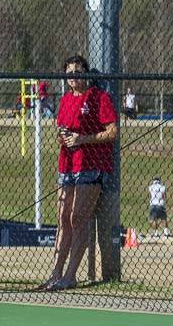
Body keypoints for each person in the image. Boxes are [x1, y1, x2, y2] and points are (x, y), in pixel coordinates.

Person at [39, 53, 118, 292]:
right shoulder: (64, 100)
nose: (74, 77)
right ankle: (56, 272)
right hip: (67, 165)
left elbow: (112, 131)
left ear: (85, 73)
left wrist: (82, 138)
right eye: (69, 73)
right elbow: (61, 130)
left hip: (90, 166)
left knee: (77, 218)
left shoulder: (98, 98)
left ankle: (71, 275)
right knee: (63, 218)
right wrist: (64, 136)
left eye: (78, 72)